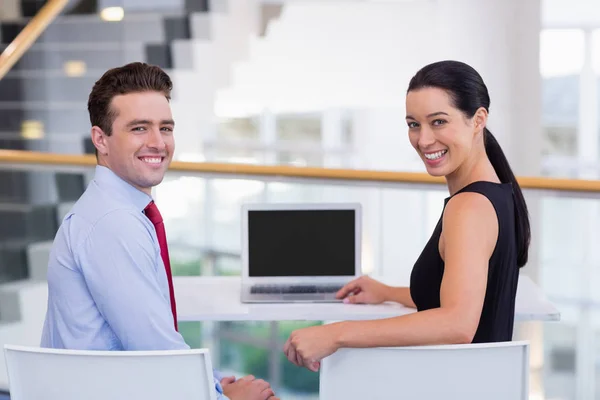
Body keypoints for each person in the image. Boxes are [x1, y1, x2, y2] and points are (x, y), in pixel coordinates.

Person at [40, 62, 279, 400]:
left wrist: (213, 383)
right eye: (139, 128)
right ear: (101, 139)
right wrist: (225, 397)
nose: (158, 143)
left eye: (165, 128)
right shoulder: (114, 223)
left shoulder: (118, 210)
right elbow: (155, 352)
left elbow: (156, 346)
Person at [283, 60, 531, 372]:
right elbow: (460, 295)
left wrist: (336, 333)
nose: (423, 140)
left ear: (478, 119)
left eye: (438, 122)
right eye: (414, 124)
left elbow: (457, 323)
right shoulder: (496, 193)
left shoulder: (469, 207)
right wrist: (387, 293)